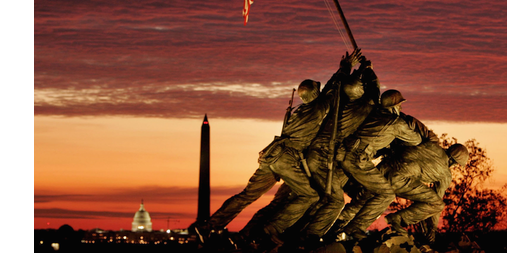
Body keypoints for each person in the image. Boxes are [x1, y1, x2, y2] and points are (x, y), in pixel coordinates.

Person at [191, 51, 356, 246]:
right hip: (287, 158)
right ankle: (274, 228)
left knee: (246, 196)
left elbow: (327, 90)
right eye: (317, 91)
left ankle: (208, 226)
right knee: (310, 195)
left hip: (271, 155)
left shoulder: (299, 110)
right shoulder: (318, 107)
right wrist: (345, 67)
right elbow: (333, 89)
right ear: (314, 94)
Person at [338, 141, 469, 244]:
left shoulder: (431, 145)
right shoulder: (445, 174)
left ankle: (337, 222)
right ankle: (397, 219)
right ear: (454, 162)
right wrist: (432, 229)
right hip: (399, 178)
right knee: (437, 204)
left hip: (384, 167)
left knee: (366, 199)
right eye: (456, 164)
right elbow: (435, 203)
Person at [335, 89, 423, 239]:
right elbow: (416, 140)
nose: (401, 109)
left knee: (363, 195)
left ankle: (339, 223)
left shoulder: (373, 114)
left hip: (344, 155)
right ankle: (355, 227)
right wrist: (407, 122)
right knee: (386, 194)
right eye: (399, 106)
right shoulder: (396, 122)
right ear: (394, 106)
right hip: (358, 160)